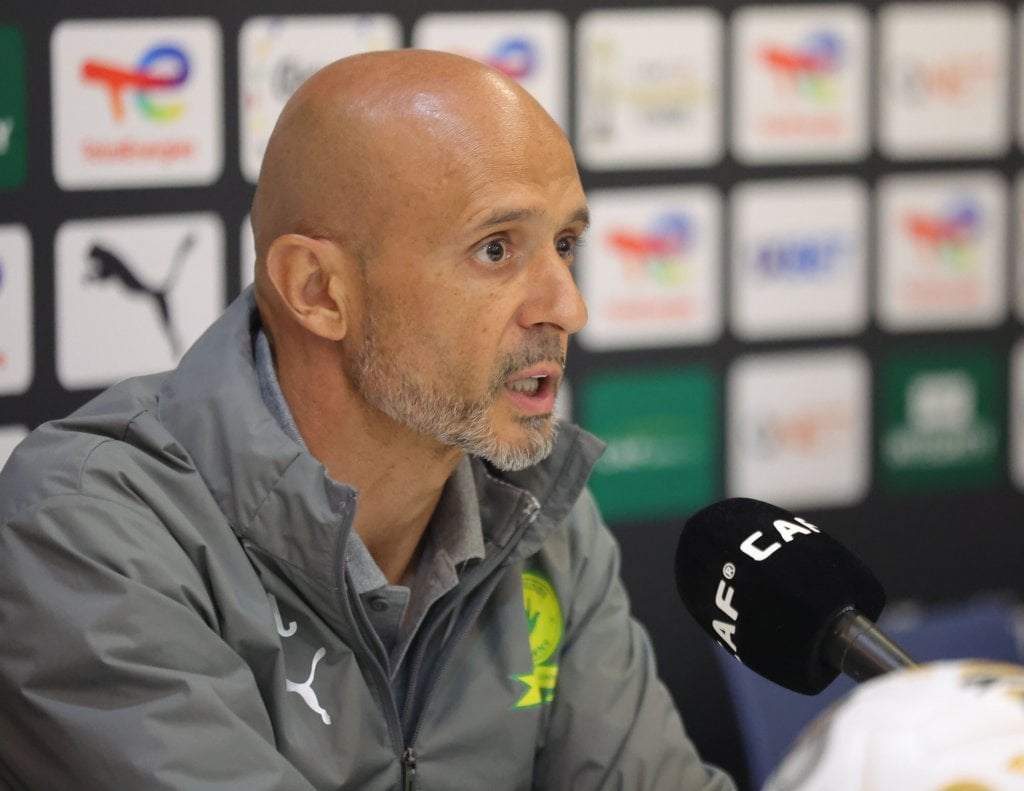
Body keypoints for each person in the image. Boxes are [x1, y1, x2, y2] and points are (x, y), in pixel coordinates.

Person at [0, 50, 735, 790]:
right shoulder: (90, 528)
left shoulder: (541, 517)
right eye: (495, 248)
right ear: (318, 291)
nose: (568, 306)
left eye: (565, 244)